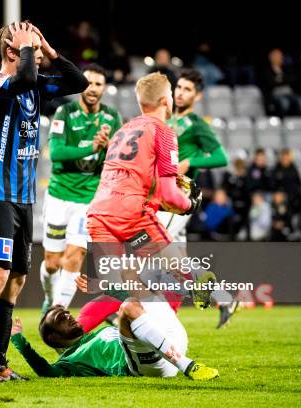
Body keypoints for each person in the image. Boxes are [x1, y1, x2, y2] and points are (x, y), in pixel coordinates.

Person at [0, 21, 88, 384]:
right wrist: (30, 51)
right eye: (29, 49)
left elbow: (77, 83)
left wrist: (47, 49)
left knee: (16, 281)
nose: (37, 59)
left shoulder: (35, 87)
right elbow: (21, 79)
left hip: (22, 198)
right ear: (12, 53)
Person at [86, 72, 217, 380]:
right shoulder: (163, 130)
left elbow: (139, 182)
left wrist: (165, 197)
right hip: (130, 216)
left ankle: (164, 356)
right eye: (171, 93)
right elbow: (170, 194)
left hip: (98, 217)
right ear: (164, 101)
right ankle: (199, 285)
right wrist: (190, 205)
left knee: (128, 298)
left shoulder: (123, 130)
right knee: (179, 267)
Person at [39, 64, 121, 313]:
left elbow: (118, 159)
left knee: (74, 257)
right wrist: (92, 148)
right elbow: (56, 153)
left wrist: (106, 147)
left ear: (104, 88)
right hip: (59, 196)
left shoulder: (112, 118)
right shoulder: (65, 112)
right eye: (88, 83)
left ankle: (57, 312)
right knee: (53, 263)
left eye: (98, 83)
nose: (93, 88)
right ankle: (49, 297)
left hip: (88, 199)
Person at [157, 69, 235, 325]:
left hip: (179, 193)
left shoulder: (198, 125)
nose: (181, 93)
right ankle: (222, 298)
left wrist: (191, 161)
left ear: (197, 96)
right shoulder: (165, 117)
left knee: (155, 246)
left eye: (187, 89)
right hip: (162, 191)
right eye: (179, 87)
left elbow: (221, 157)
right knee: (175, 260)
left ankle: (125, 308)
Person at [10, 300, 194, 379]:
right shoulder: (69, 363)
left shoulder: (98, 334)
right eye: (61, 319)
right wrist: (18, 340)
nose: (68, 316)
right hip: (147, 365)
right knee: (128, 304)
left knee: (142, 284)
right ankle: (187, 365)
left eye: (66, 313)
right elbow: (46, 372)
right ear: (53, 337)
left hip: (171, 345)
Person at [259, 48, 301, 117]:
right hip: (275, 95)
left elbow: (292, 80)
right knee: (284, 102)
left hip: (289, 94)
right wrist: (283, 80)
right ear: (271, 57)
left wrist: (279, 80)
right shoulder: (266, 71)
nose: (280, 58)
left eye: (281, 56)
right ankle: (283, 122)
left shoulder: (287, 69)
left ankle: (297, 122)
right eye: (277, 56)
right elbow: (271, 83)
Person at [271, 148, 301, 214]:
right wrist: (278, 193)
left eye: (287, 158)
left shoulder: (294, 170)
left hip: (292, 197)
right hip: (279, 196)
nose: (285, 160)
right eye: (283, 158)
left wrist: (290, 195)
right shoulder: (276, 169)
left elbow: (298, 185)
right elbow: (272, 184)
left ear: (290, 158)